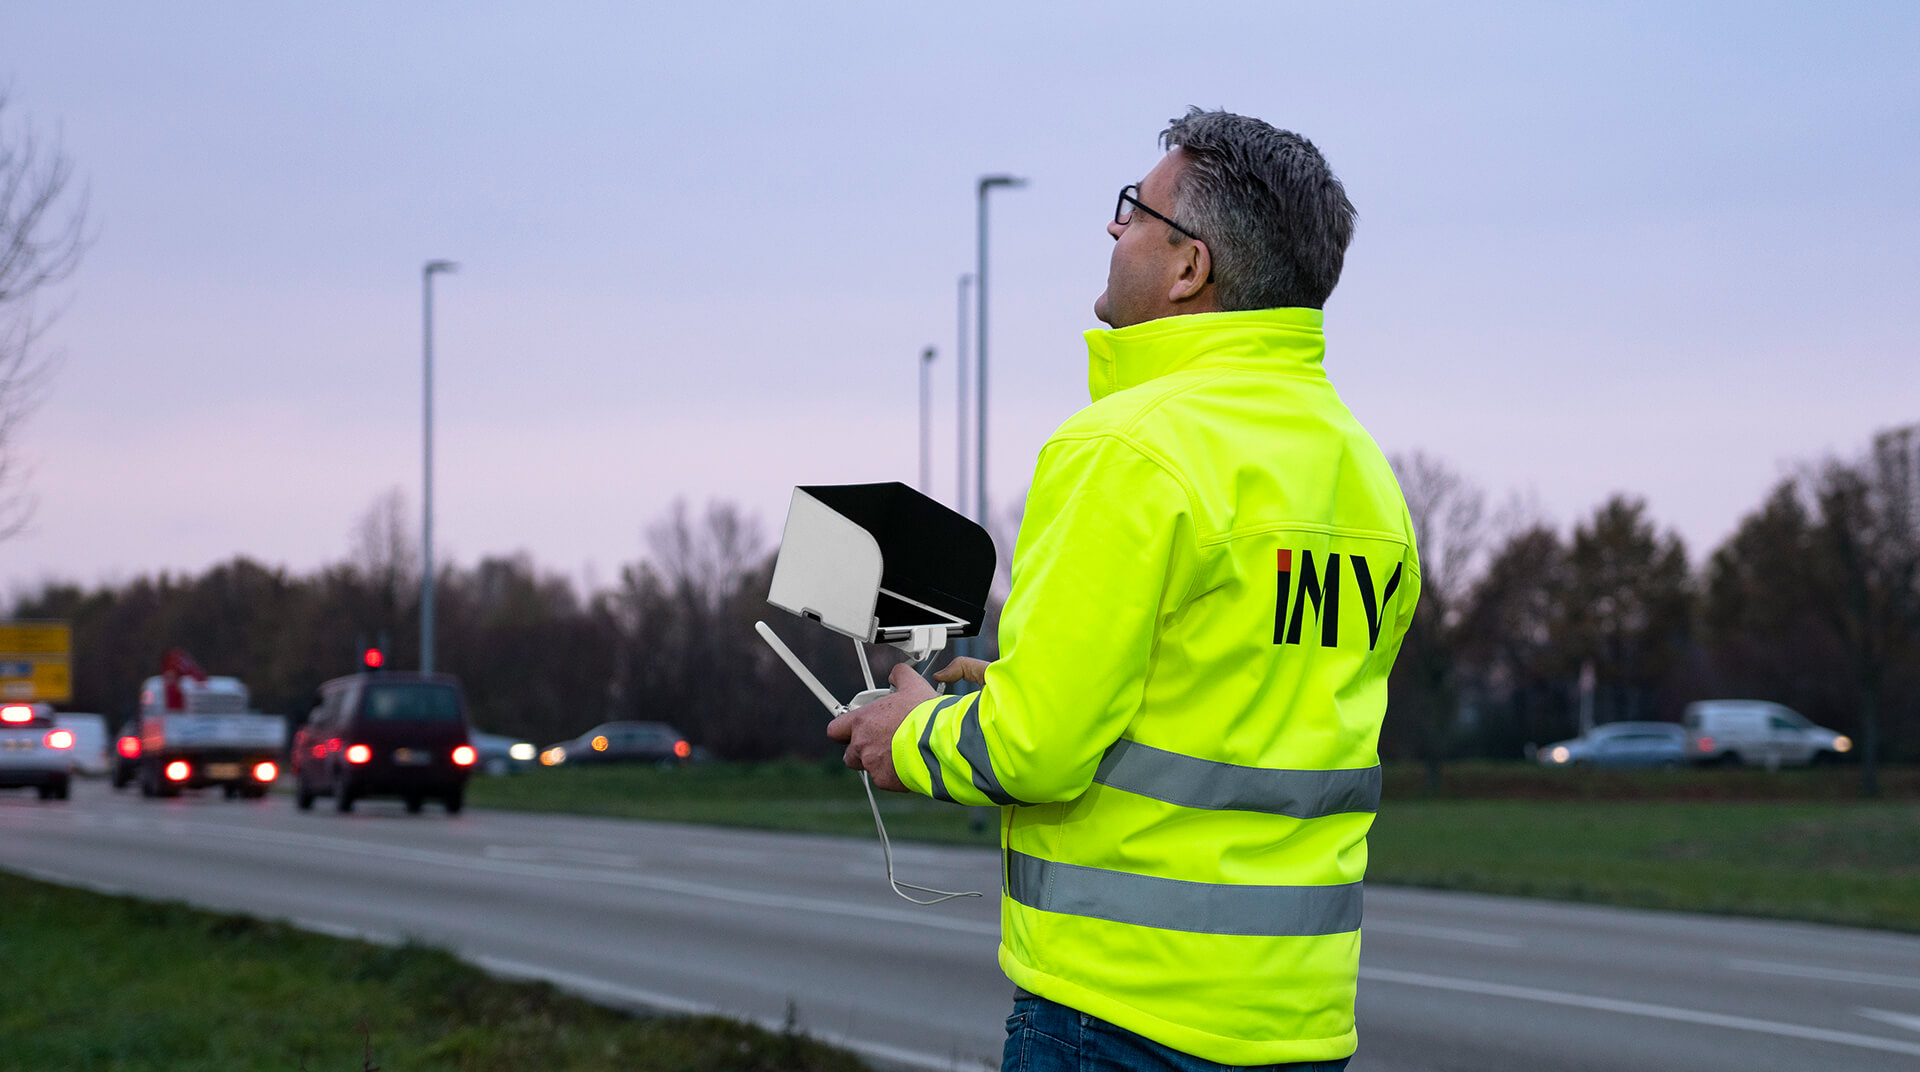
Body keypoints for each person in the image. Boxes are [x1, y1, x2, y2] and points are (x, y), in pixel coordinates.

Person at [828, 108, 1421, 1072]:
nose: (1112, 230)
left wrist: (913, 734)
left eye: (1133, 210)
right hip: (1296, 1022)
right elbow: (1232, 706)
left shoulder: (1125, 448)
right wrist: (1013, 683)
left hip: (1119, 1013)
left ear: (1191, 269)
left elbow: (1039, 748)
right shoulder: (1361, 474)